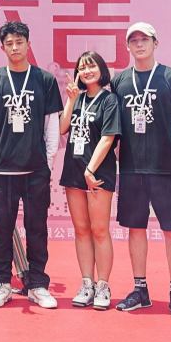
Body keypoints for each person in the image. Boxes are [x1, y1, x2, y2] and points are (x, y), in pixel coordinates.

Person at [111, 23, 171, 320]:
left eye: (144, 39)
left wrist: (169, 150)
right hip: (131, 168)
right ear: (127, 46)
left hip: (164, 169)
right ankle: (140, 290)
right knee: (135, 228)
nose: (139, 44)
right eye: (133, 40)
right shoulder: (119, 81)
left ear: (155, 43)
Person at [0, 21, 64, 309]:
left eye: (19, 42)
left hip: (36, 169)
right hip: (3, 170)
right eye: (9, 43)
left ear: (28, 44)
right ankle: (2, 282)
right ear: (2, 48)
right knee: (2, 228)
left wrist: (47, 162)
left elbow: (52, 124)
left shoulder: (45, 80)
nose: (15, 47)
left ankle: (37, 284)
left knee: (37, 228)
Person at [59, 51, 121, 311]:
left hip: (97, 173)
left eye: (91, 66)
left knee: (99, 230)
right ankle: (87, 283)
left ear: (101, 69)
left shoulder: (109, 100)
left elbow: (108, 138)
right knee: (81, 230)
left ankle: (103, 285)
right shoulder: (78, 98)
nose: (87, 71)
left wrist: (90, 169)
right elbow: (62, 128)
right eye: (82, 68)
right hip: (73, 170)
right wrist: (70, 100)